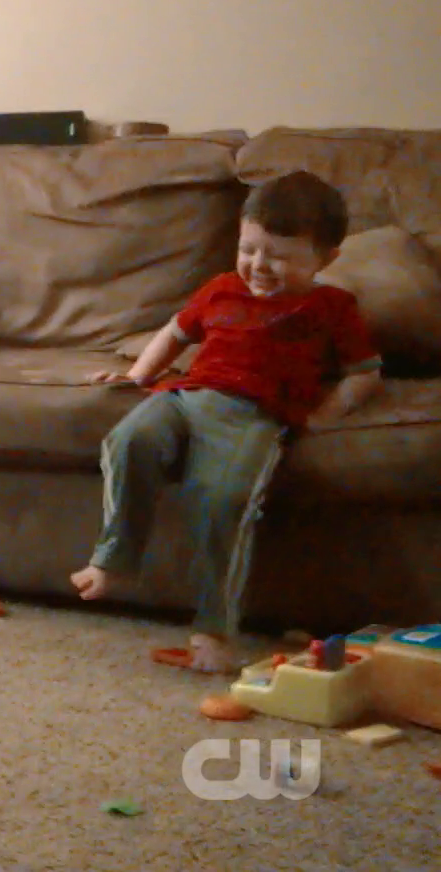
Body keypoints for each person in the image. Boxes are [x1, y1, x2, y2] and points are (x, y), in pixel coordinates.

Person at [69, 170, 384, 673]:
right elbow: (173, 334)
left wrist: (326, 414)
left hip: (251, 416)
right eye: (248, 249)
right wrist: (137, 376)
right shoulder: (220, 289)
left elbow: (365, 372)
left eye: (278, 256)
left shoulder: (332, 307)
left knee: (222, 502)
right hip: (184, 396)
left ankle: (214, 631)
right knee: (128, 440)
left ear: (326, 259)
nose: (258, 265)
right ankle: (115, 559)